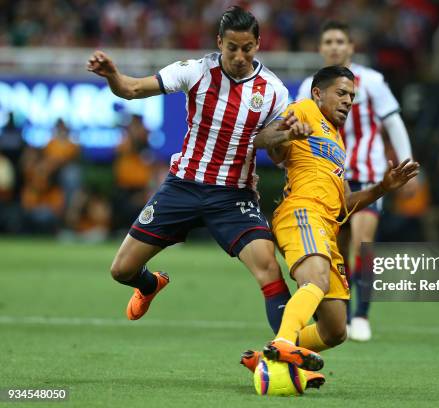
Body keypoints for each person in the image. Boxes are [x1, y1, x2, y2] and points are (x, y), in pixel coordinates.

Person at [86, 6, 301, 337]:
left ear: (258, 44)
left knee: (269, 268)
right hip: (183, 187)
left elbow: (265, 141)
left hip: (233, 195)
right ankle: (149, 284)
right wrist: (113, 75)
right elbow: (132, 90)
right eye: (232, 48)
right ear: (220, 42)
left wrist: (287, 132)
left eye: (247, 48)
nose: (240, 56)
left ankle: (289, 347)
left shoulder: (274, 90)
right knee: (121, 270)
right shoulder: (196, 70)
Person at [241, 66, 419, 380]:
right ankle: (283, 344)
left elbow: (344, 204)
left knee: (336, 330)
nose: (349, 100)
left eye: (352, 95)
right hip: (301, 214)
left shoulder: (337, 144)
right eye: (342, 93)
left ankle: (268, 356)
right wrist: (284, 133)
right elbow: (264, 141)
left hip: (327, 226)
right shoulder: (304, 111)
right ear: (318, 93)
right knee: (316, 282)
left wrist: (381, 188)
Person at [296, 20, 416, 341]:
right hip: (330, 179)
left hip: (368, 174)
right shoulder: (310, 85)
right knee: (339, 249)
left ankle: (363, 315)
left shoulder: (373, 81)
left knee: (364, 241)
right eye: (328, 41)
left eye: (340, 41)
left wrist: (407, 165)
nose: (334, 46)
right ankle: (345, 316)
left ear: (351, 47)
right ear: (321, 48)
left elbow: (394, 122)